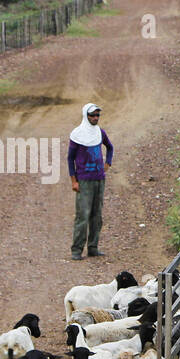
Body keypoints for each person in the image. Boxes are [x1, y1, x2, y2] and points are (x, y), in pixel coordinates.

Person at [66, 103, 114, 260]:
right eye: (92, 115)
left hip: (99, 179)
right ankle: (76, 250)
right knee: (83, 215)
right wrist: (74, 181)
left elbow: (110, 147)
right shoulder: (77, 134)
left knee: (97, 215)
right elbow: (70, 158)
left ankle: (93, 247)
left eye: (97, 115)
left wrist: (108, 163)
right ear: (85, 116)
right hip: (84, 181)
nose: (95, 118)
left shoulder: (100, 133)